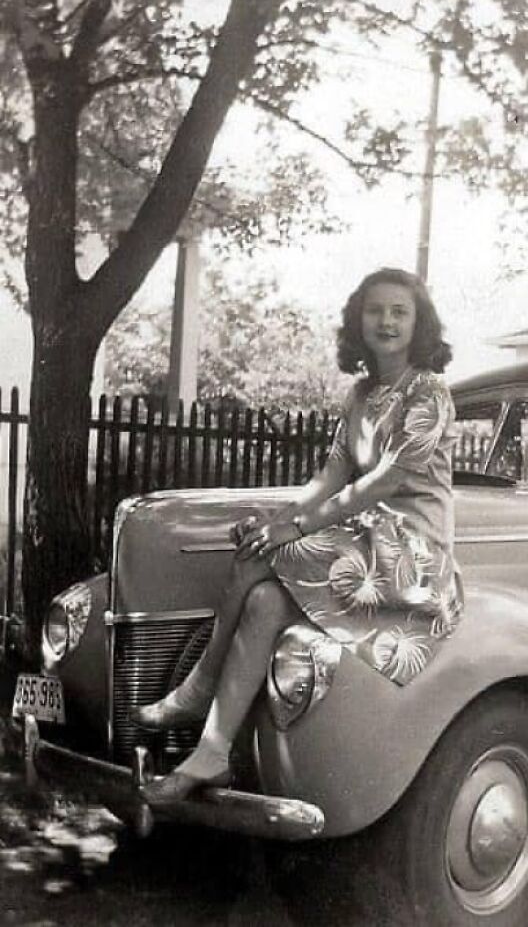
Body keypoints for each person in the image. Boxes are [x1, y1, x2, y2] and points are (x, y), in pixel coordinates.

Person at [135, 267, 464, 806]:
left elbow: (388, 480)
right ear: (359, 320)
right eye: (376, 310)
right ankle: (212, 750)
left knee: (262, 558)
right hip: (368, 541)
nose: (386, 321)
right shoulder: (362, 395)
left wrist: (297, 528)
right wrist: (277, 520)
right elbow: (330, 477)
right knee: (263, 596)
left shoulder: (429, 391)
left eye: (399, 312)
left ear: (418, 322)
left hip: (414, 553)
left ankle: (198, 688)